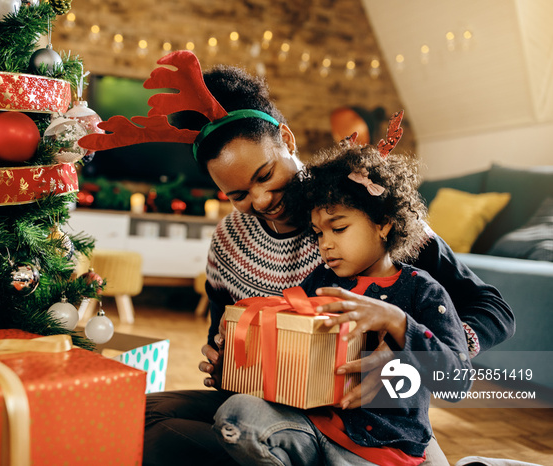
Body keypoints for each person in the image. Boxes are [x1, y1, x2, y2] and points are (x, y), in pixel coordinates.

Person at [78, 51, 514, 466]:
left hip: (371, 423)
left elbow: (492, 311)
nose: (263, 199)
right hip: (271, 407)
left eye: (265, 175)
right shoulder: (230, 238)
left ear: (286, 140)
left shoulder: (360, 210)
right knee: (138, 417)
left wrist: (411, 365)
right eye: (238, 194)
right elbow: (223, 332)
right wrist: (224, 358)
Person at [210, 130, 474, 465]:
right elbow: (289, 347)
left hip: (382, 451)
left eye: (339, 229)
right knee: (236, 417)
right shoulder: (321, 280)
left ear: (384, 224)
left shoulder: (424, 292)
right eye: (319, 233)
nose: (325, 244)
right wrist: (236, 361)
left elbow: (457, 382)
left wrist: (397, 322)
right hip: (311, 427)